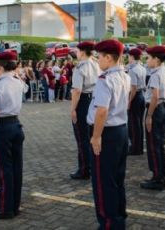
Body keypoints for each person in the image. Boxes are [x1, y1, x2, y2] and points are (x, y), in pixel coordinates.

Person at [87, 39, 130, 229]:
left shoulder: (105, 79)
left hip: (107, 132)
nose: (98, 61)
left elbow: (102, 110)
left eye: (100, 57)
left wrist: (96, 137)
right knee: (116, 177)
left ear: (108, 58)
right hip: (121, 129)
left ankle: (109, 222)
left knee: (103, 181)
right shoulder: (124, 76)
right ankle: (119, 215)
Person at [0, 51, 28, 220]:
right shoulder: (18, 82)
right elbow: (25, 87)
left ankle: (4, 209)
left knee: (4, 171)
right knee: (17, 168)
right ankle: (14, 205)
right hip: (16, 126)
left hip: (2, 128)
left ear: (0, 67)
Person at [139, 46, 165, 190]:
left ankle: (158, 178)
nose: (147, 60)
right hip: (160, 108)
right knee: (159, 144)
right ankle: (159, 175)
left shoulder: (155, 74)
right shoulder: (162, 70)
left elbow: (155, 96)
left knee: (153, 146)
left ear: (156, 60)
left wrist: (149, 116)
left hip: (155, 109)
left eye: (149, 57)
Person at [69, 41, 100, 180]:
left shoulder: (80, 67)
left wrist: (73, 109)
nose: (76, 53)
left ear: (82, 52)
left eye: (77, 50)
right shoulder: (96, 64)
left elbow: (77, 90)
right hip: (94, 100)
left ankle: (84, 170)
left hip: (83, 101)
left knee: (82, 138)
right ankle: (93, 166)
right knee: (91, 135)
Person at [127, 48, 146, 155]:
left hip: (135, 96)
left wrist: (129, 101)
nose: (128, 58)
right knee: (138, 123)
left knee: (133, 124)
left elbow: (133, 88)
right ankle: (139, 147)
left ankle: (135, 148)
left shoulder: (133, 70)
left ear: (133, 57)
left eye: (129, 56)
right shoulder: (142, 67)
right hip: (141, 96)